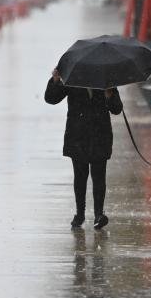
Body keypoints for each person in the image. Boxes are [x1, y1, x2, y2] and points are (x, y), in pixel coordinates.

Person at [44, 67, 123, 229]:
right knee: (80, 176)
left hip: (100, 134)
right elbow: (51, 98)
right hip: (78, 134)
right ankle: (80, 214)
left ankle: (99, 215)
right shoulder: (72, 77)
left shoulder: (105, 80)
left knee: (99, 176)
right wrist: (55, 80)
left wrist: (110, 95)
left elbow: (117, 109)